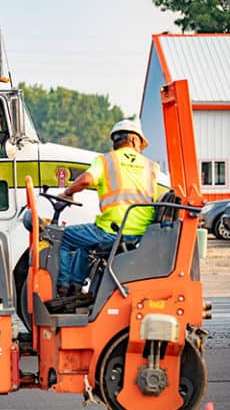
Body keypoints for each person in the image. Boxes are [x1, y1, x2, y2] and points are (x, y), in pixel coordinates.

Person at [56, 119, 159, 298]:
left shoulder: (106, 161)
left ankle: (62, 288)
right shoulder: (151, 167)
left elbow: (87, 180)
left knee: (62, 237)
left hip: (113, 231)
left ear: (115, 141)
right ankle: (75, 288)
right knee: (83, 242)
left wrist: (67, 193)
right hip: (140, 233)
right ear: (135, 141)